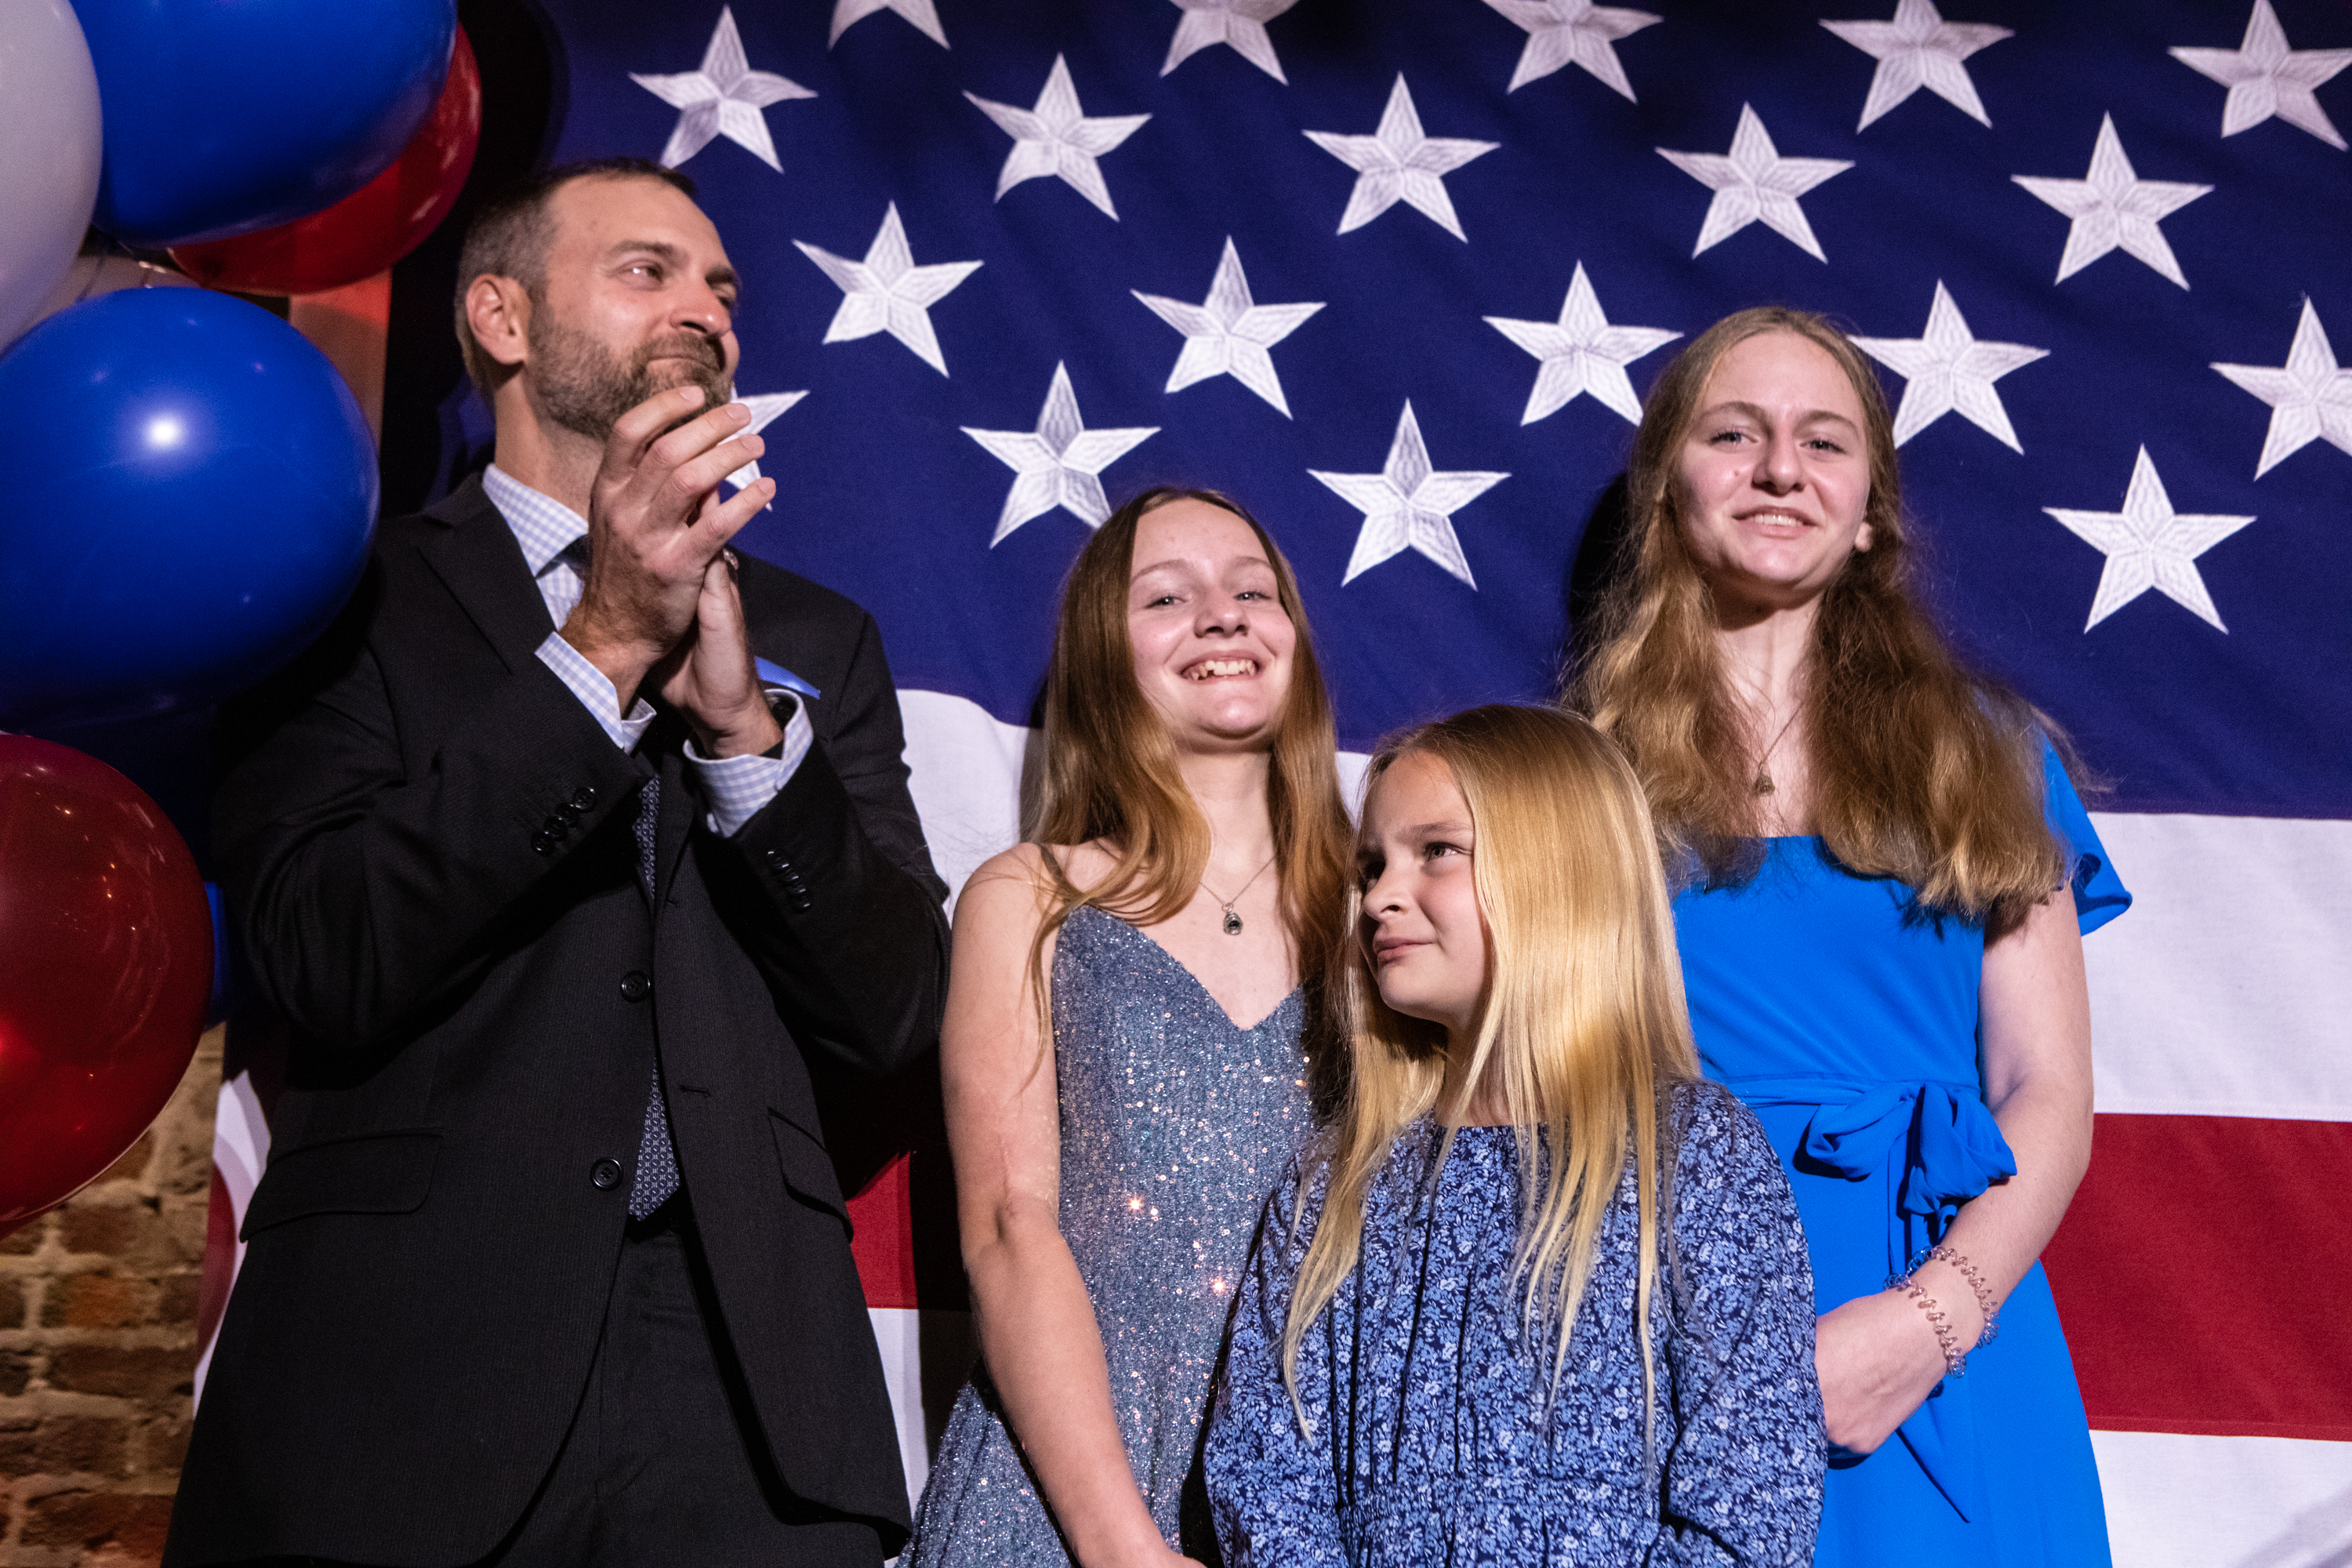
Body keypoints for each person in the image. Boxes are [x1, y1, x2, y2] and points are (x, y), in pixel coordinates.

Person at [168, 158, 949, 1567]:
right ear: (502, 319)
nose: (705, 308)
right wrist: (602, 646)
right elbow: (323, 949)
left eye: (722, 286)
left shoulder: (819, 642)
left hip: (750, 1406)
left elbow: (896, 1012)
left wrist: (746, 745)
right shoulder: (339, 592)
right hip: (397, 1386)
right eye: (648, 270)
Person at [1568, 307, 2132, 1567]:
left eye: (1824, 442)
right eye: (1736, 434)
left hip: (1945, 1334)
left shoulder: (1990, 753)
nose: (1781, 468)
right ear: (1669, 487)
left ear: (1871, 507)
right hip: (1661, 1333)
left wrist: (1925, 1328)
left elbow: (2048, 1091)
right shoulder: (1573, 778)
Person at [1204, 704, 1825, 1566]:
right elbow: (1266, 1485)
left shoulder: (1695, 1155)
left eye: (1435, 851)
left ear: (1559, 869)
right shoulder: (1331, 1189)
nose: (1381, 894)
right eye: (1373, 864)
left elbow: (1752, 1497)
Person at [905, 488, 1355, 1567]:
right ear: (1106, 657)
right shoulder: (1029, 896)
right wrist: (1121, 1545)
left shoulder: (1385, 909)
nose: (1222, 615)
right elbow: (1010, 1223)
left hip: (1321, 1493)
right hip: (1063, 1496)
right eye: (1169, 596)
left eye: (1253, 590)